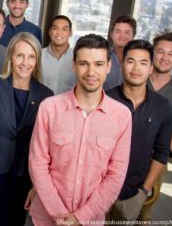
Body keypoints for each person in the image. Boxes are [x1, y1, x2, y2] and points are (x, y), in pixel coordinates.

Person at [28, 34, 132, 226]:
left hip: (90, 220)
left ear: (108, 66)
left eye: (99, 64)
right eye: (84, 63)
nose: (91, 72)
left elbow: (115, 176)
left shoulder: (122, 116)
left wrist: (80, 217)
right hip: (46, 218)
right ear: (74, 65)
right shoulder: (49, 108)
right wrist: (61, 216)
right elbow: (38, 163)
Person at [0, 32, 53, 226]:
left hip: (23, 178)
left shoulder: (45, 95)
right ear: (11, 58)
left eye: (31, 56)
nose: (25, 62)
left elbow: (45, 147)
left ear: (37, 61)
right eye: (20, 55)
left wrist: (35, 187)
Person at [107, 40, 172, 224]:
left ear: (151, 68)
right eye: (131, 61)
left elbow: (162, 154)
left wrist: (144, 191)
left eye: (143, 63)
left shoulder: (162, 107)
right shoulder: (106, 99)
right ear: (122, 65)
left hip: (133, 192)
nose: (136, 68)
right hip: (100, 188)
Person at [140, 30, 172, 222]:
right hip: (124, 156)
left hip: (156, 161)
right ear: (152, 53)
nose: (164, 57)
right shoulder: (137, 79)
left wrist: (150, 156)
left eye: (171, 54)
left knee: (142, 211)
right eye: (160, 51)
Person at [41, 14, 76, 94]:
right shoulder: (38, 55)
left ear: (70, 33)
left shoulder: (77, 58)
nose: (59, 32)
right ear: (50, 32)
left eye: (64, 29)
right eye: (55, 28)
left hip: (68, 105)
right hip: (41, 104)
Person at [104, 15, 137, 90]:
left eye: (127, 32)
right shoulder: (102, 56)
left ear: (133, 36)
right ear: (112, 34)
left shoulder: (140, 60)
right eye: (118, 31)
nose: (122, 35)